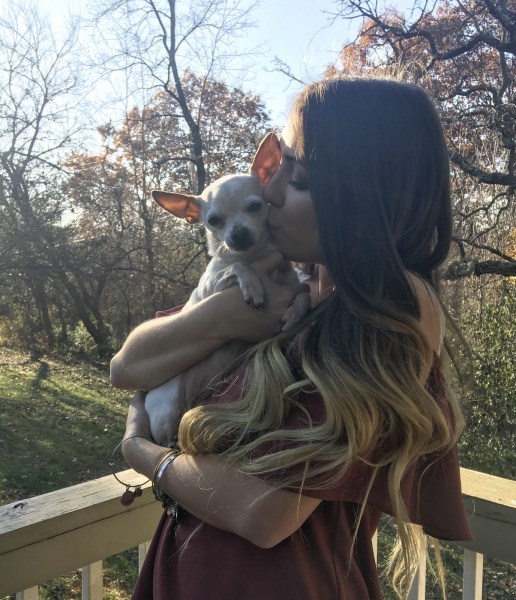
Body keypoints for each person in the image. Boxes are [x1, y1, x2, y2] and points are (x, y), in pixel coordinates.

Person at [111, 77, 473, 600]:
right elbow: (126, 367)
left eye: (296, 180)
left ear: (361, 195)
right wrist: (221, 317)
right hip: (194, 574)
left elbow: (264, 514)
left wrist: (142, 451)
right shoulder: (291, 285)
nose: (270, 192)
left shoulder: (393, 311)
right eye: (277, 171)